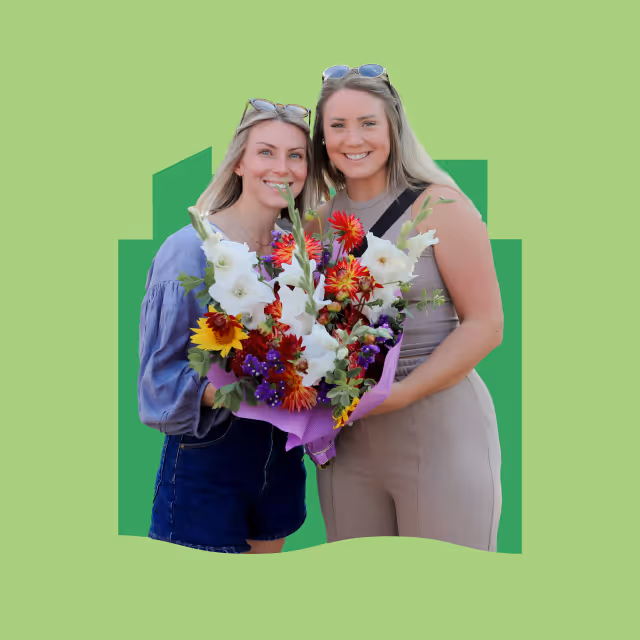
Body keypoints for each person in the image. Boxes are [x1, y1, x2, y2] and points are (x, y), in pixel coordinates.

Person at [306, 66, 503, 552]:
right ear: (322, 139)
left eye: (369, 123)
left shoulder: (441, 207)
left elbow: (486, 324)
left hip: (439, 431)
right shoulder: (316, 224)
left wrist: (401, 393)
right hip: (347, 442)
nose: (354, 138)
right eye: (338, 126)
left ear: (394, 127)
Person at [138, 99, 313, 554]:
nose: (283, 167)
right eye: (266, 152)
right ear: (239, 161)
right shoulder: (190, 250)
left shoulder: (299, 257)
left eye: (296, 155)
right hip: (208, 457)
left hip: (280, 461)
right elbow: (158, 386)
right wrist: (259, 390)